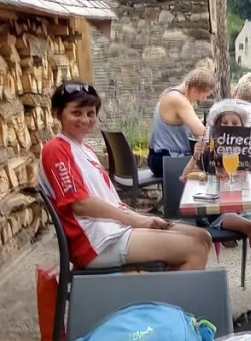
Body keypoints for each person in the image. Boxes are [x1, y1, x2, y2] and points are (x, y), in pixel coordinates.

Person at [40, 81, 212, 271]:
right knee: (194, 248)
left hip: (114, 230)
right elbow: (80, 204)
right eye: (76, 113)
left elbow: (109, 202)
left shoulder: (84, 149)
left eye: (90, 113)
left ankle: (161, 294)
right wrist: (138, 221)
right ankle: (167, 300)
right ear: (58, 113)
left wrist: (141, 217)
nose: (85, 119)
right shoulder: (56, 149)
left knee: (202, 237)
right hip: (95, 242)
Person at [181, 99, 251, 305]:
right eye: (226, 123)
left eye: (236, 124)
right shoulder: (209, 147)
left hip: (246, 207)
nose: (231, 127)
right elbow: (184, 177)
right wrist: (195, 156)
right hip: (219, 212)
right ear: (218, 126)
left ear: (242, 127)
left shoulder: (246, 148)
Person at [147, 67, 217, 179]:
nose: (204, 99)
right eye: (204, 95)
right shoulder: (179, 100)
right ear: (195, 90)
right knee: (213, 166)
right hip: (167, 159)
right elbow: (202, 133)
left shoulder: (170, 92)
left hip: (158, 157)